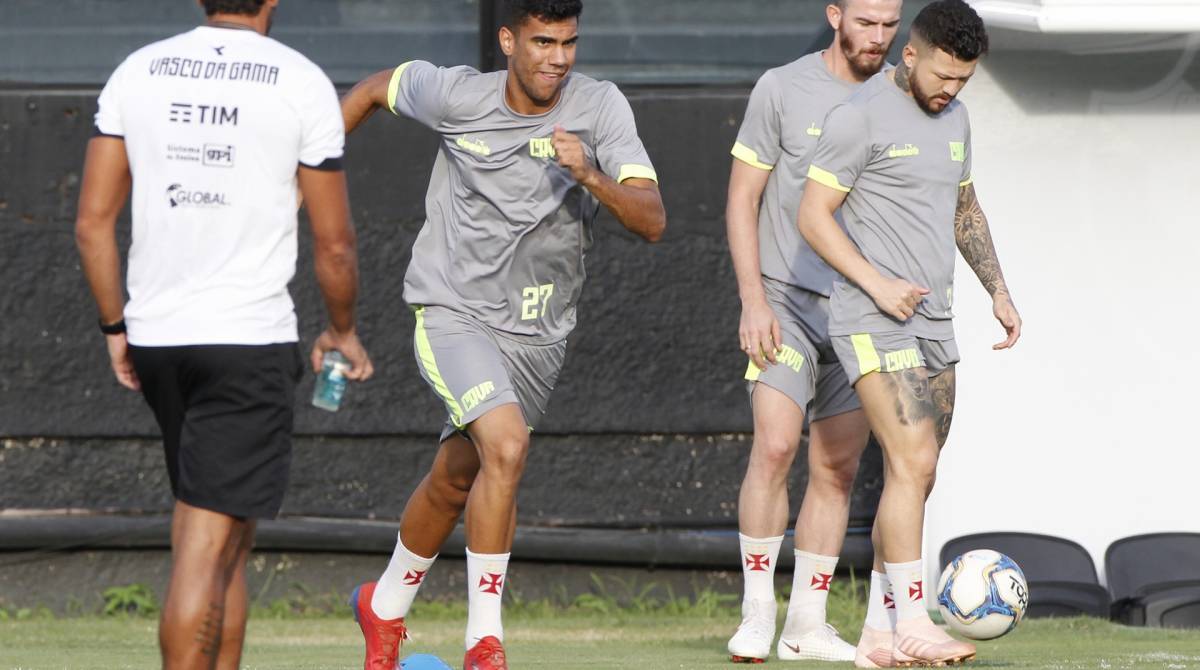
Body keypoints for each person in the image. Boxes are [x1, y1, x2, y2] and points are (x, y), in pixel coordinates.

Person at [337, 1, 666, 668]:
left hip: (540, 333)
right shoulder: (457, 94)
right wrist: (309, 175)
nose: (558, 57)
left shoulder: (600, 108)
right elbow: (374, 89)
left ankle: (385, 606)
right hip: (452, 311)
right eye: (543, 41)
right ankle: (484, 641)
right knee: (507, 446)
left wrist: (589, 175)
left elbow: (653, 220)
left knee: (462, 475)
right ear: (508, 39)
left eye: (569, 42)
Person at [74, 1, 372, 667]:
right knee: (205, 547)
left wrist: (114, 326)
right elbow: (335, 246)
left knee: (227, 536)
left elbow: (92, 223)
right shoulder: (300, 80)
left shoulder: (137, 71)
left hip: (158, 341)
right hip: (246, 344)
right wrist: (343, 331)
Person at [797, 0, 1021, 666]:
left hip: (937, 322)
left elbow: (964, 206)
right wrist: (877, 283)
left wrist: (999, 290)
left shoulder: (956, 118)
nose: (950, 90)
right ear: (911, 54)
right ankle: (915, 621)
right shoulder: (856, 116)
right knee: (913, 458)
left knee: (917, 475)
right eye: (942, 76)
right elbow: (814, 216)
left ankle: (879, 632)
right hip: (873, 317)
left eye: (964, 79)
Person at [724, 0, 902, 663]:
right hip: (783, 302)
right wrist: (751, 301)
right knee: (773, 447)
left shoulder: (904, 100)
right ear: (835, 15)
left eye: (890, 25)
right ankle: (756, 614)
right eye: (866, 23)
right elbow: (743, 197)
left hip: (861, 314)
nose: (878, 38)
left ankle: (806, 625)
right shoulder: (781, 87)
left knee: (837, 466)